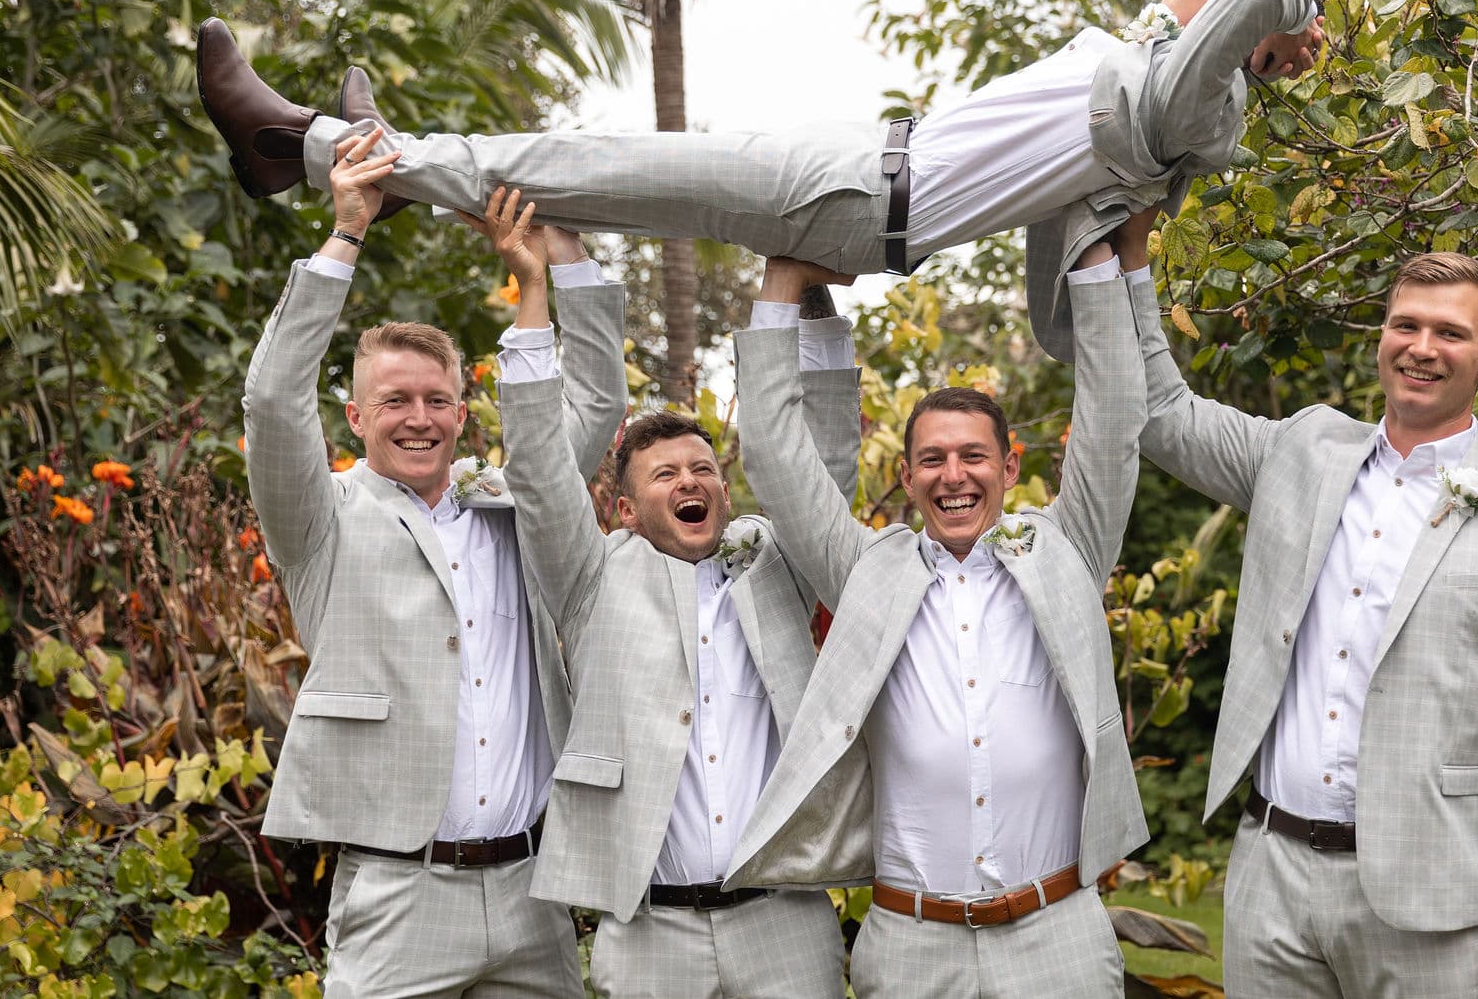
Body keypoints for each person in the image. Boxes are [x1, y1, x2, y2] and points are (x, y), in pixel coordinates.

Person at [194, 0, 1324, 359]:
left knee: (589, 164)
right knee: (590, 165)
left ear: (1241, 17)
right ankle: (397, 169)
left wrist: (1296, 0)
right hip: (857, 171)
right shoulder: (1151, 102)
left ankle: (298, 144)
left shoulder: (1189, 107)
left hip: (856, 196)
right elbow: (1051, 320)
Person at [1115, 217, 1478, 999]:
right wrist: (1132, 259)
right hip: (1270, 877)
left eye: (1449, 332)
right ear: (1382, 336)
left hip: (1432, 903)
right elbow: (1158, 411)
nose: (1421, 345)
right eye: (1405, 323)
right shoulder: (1301, 449)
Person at [244, 130, 625, 998]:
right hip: (398, 893)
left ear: (462, 410)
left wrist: (556, 256)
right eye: (395, 400)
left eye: (437, 399)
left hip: (535, 893)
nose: (418, 418)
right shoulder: (321, 519)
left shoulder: (516, 500)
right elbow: (270, 399)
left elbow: (599, 400)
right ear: (353, 416)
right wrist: (346, 232)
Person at [718, 244, 1147, 998]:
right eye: (934, 459)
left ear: (1009, 468)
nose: (955, 475)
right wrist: (783, 285)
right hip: (912, 945)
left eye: (974, 456)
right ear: (908, 476)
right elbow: (778, 456)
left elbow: (1111, 421)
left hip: (1058, 935)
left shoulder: (1066, 549)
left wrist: (1096, 255)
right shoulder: (865, 571)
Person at [482, 186, 866, 998]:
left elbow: (824, 469)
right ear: (623, 509)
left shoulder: (774, 565)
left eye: (704, 470)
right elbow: (542, 475)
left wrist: (817, 312)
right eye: (666, 474)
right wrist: (545, 282)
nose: (692, 481)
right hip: (648, 929)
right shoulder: (590, 576)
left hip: (786, 923)